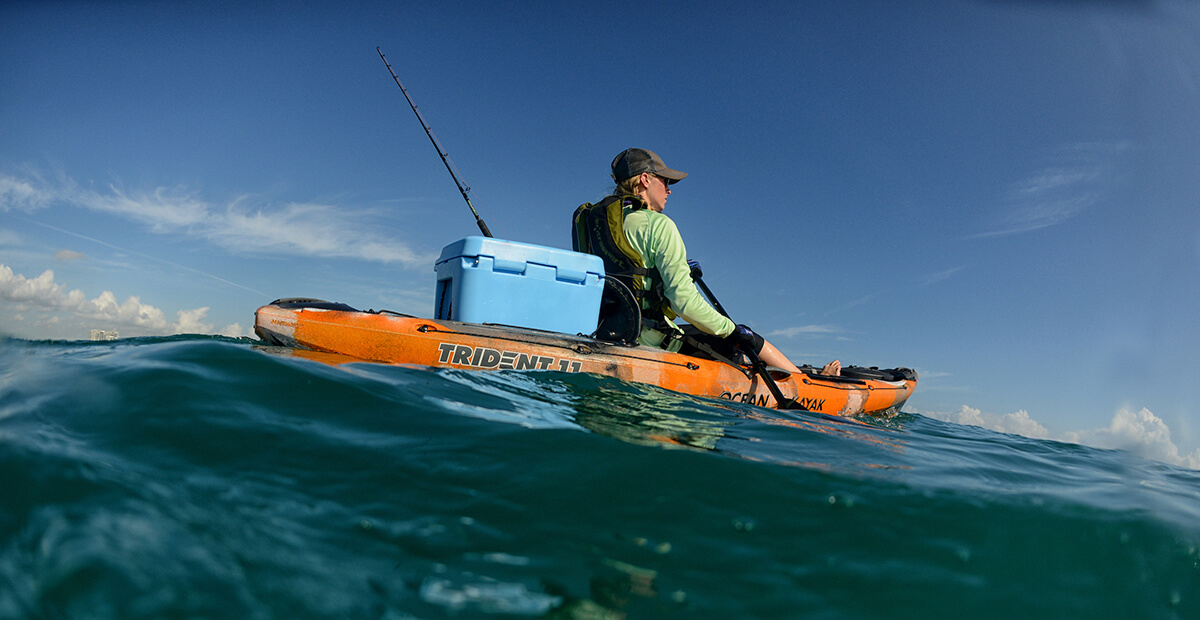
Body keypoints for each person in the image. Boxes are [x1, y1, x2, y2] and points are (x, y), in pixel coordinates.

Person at [580, 147, 840, 377]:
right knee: (747, 336)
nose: (669, 189)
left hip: (609, 333)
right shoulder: (660, 225)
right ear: (645, 180)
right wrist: (732, 330)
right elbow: (683, 303)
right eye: (665, 180)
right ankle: (807, 385)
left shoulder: (596, 226)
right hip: (651, 342)